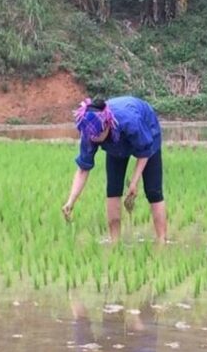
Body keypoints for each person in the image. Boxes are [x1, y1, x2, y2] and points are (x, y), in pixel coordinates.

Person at [61, 96, 166, 243]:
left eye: (98, 135)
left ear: (107, 124)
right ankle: (114, 242)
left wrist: (134, 182)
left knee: (153, 191)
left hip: (147, 132)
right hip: (116, 146)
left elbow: (145, 151)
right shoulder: (89, 131)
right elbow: (83, 169)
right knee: (113, 190)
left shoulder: (130, 121)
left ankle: (161, 241)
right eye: (92, 137)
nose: (95, 139)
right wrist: (70, 201)